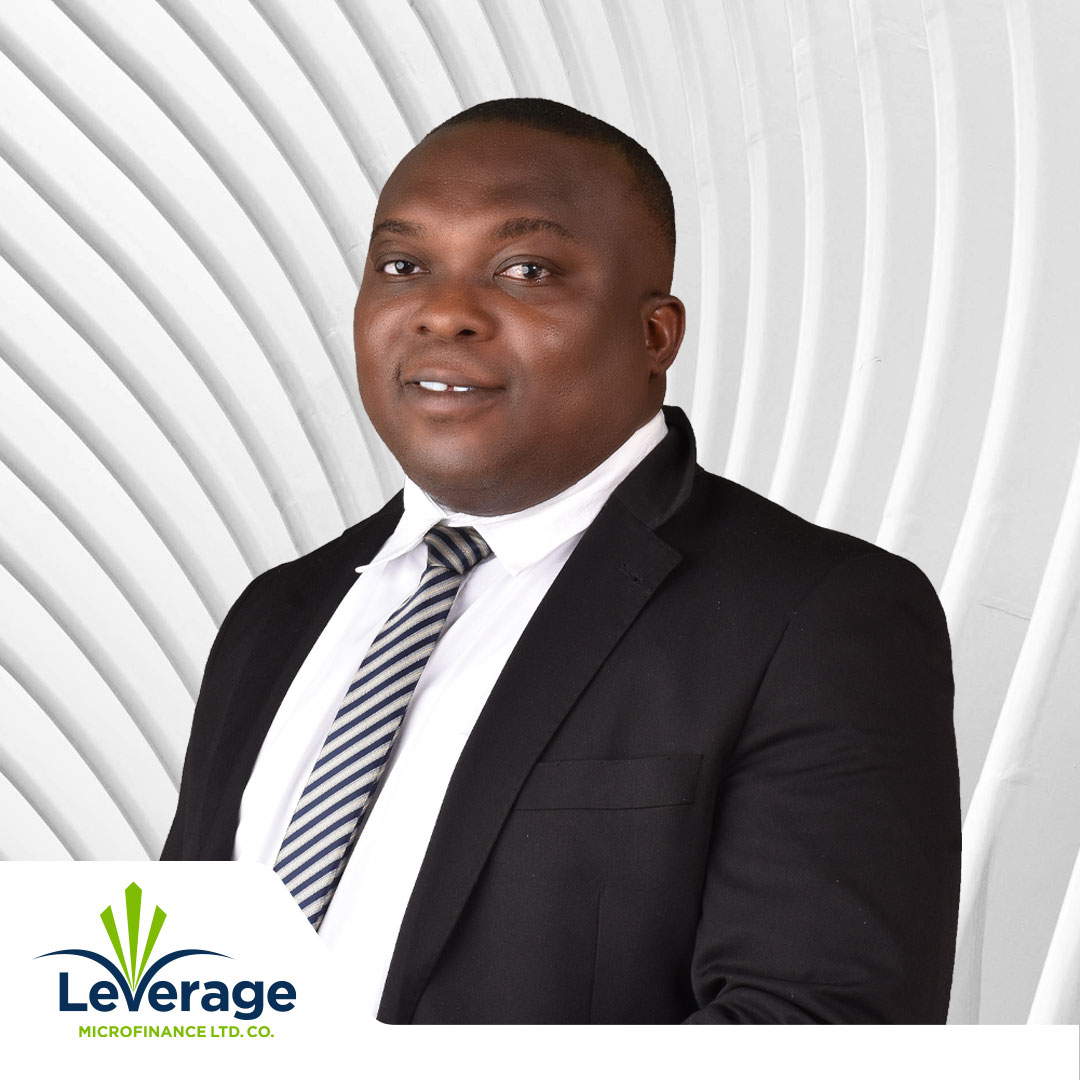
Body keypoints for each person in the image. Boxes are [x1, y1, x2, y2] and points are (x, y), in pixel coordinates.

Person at [162, 97, 960, 1024]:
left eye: (526, 270)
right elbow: (176, 1005)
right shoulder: (278, 616)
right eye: (403, 266)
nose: (442, 313)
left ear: (655, 335)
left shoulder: (815, 617)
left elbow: (817, 1031)